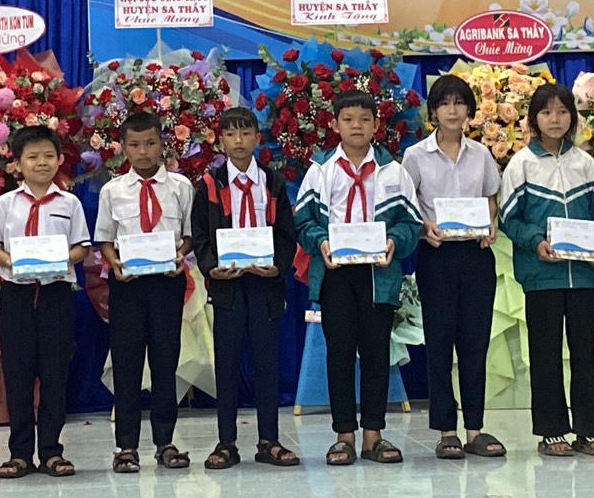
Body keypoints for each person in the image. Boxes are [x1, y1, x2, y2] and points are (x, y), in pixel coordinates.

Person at [295, 90, 420, 467]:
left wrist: (395, 241)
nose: (356, 126)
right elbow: (302, 220)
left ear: (376, 125)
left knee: (377, 353)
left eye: (365, 119)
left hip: (378, 275)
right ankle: (344, 435)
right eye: (348, 119)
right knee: (339, 354)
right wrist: (321, 242)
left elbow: (411, 222)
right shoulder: (320, 169)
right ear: (335, 125)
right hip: (335, 274)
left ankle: (373, 435)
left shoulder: (393, 170)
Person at [499, 84, 594, 457]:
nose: (555, 119)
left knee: (584, 353)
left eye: (563, 111)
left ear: (572, 117)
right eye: (546, 112)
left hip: (583, 276)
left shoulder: (586, 163)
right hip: (541, 275)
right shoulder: (521, 164)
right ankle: (551, 431)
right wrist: (536, 242)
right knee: (545, 353)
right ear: (534, 119)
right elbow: (509, 219)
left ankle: (588, 430)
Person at [402, 74, 504, 459]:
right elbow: (406, 204)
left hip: (476, 255)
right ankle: (447, 430)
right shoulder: (415, 156)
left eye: (459, 103)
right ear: (433, 111)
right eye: (444, 103)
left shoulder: (481, 154)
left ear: (469, 111)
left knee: (475, 343)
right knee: (440, 343)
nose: (452, 110)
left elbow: (490, 196)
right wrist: (423, 226)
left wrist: (490, 224)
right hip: (437, 255)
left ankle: (475, 428)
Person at [191, 107, 299, 470]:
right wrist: (211, 267)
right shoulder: (209, 184)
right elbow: (200, 235)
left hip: (264, 285)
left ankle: (269, 440)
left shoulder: (273, 182)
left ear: (257, 137)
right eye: (231, 134)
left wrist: (278, 266)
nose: (238, 141)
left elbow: (286, 232)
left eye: (245, 133)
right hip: (228, 286)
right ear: (220, 140)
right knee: (227, 365)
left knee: (267, 363)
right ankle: (226, 442)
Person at [0, 126, 90, 479]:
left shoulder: (69, 203)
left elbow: (82, 247)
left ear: (59, 159)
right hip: (17, 294)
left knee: (55, 373)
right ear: (17, 163)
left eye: (48, 156)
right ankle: (19, 453)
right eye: (32, 157)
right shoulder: (5, 204)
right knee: (18, 375)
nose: (41, 163)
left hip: (56, 294)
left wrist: (61, 259)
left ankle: (52, 451)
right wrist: (11, 261)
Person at [95, 111, 195, 473]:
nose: (143, 151)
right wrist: (114, 263)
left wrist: (181, 255)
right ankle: (126, 446)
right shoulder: (112, 190)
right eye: (135, 144)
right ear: (123, 147)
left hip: (167, 282)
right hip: (128, 285)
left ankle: (165, 442)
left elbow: (188, 235)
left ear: (162, 144)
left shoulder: (181, 187)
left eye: (150, 143)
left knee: (166, 362)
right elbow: (105, 238)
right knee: (127, 364)